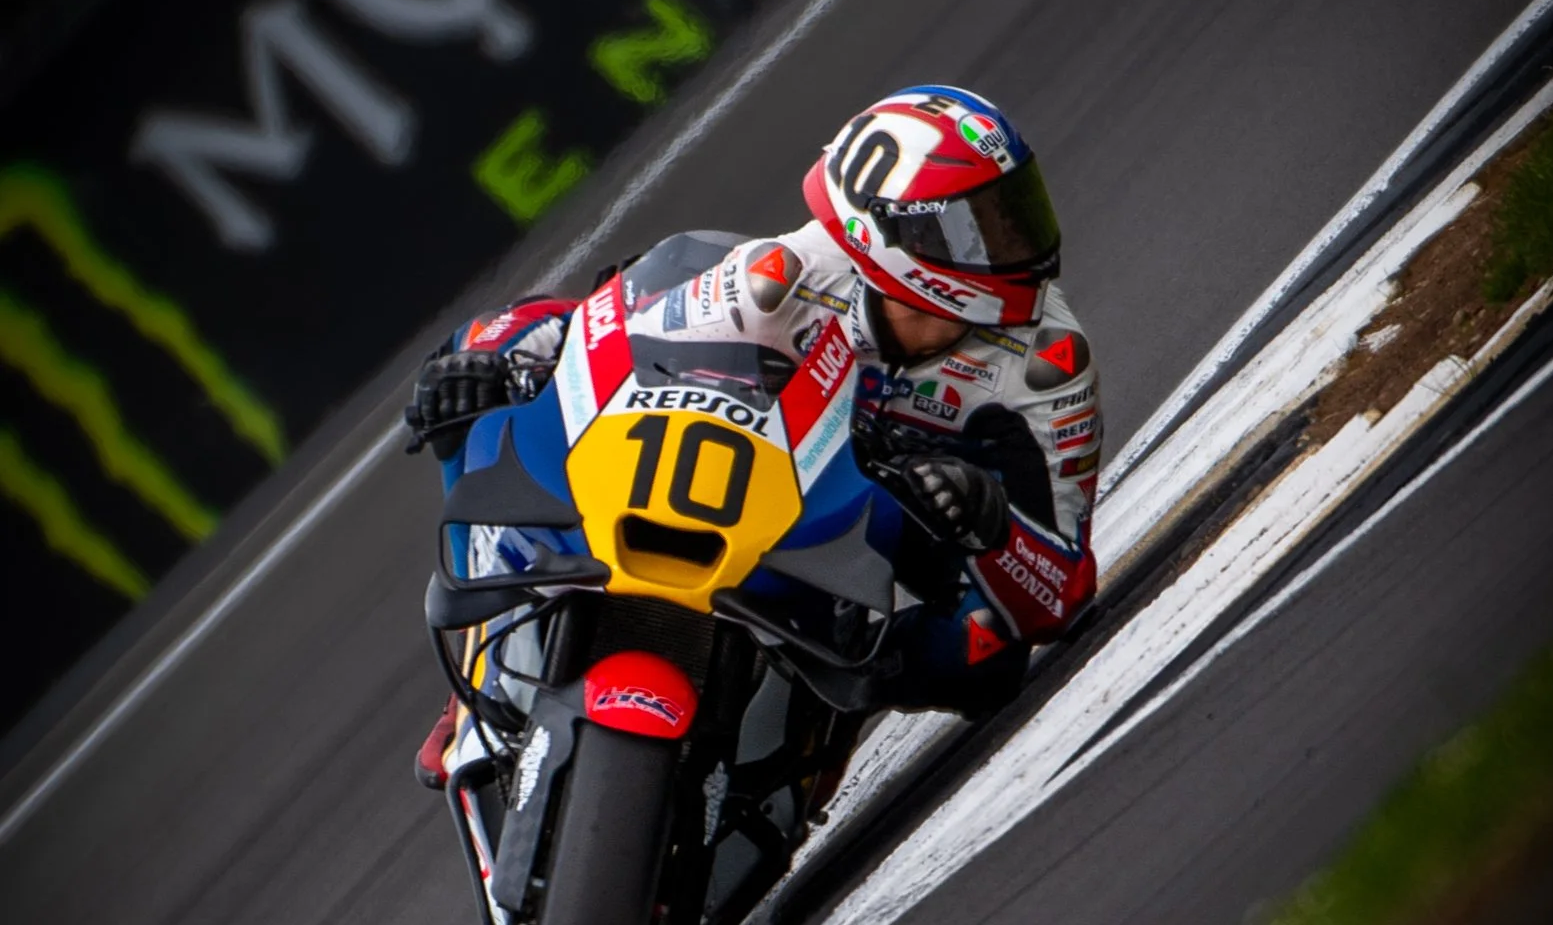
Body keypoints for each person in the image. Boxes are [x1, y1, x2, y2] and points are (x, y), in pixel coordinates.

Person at [407, 84, 1101, 789]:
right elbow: (604, 327)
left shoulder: (1044, 364)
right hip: (747, 479)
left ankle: (821, 713)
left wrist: (990, 525)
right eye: (981, 226)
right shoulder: (775, 277)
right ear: (890, 233)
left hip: (880, 515)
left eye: (1016, 213)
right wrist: (504, 359)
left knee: (987, 656)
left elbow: (1063, 593)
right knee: (474, 364)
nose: (1015, 245)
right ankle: (479, 662)